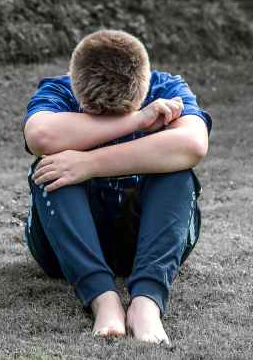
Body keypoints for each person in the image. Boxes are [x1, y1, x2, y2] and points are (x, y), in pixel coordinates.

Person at [22, 30, 212, 345]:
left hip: (144, 237)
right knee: (51, 168)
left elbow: (193, 144)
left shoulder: (167, 87)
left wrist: (89, 164)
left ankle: (147, 302)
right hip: (64, 247)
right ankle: (103, 298)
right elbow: (40, 136)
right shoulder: (59, 89)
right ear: (75, 86)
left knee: (177, 170)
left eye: (120, 114)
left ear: (146, 86)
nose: (108, 123)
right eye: (97, 116)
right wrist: (137, 120)